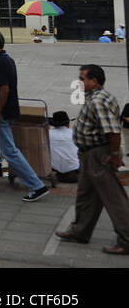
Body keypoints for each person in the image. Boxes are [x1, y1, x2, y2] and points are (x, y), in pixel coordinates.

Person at [56, 64, 129, 254]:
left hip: (99, 155)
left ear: (94, 81)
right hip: (90, 154)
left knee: (114, 199)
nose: (79, 82)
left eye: (82, 79)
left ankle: (127, 239)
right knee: (86, 195)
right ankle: (80, 231)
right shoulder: (99, 97)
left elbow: (113, 131)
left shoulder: (98, 101)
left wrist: (114, 155)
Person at [0, 31, 48, 202]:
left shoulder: (2, 62)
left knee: (9, 151)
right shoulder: (0, 61)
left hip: (2, 114)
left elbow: (4, 89)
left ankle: (37, 185)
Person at [48, 110, 80, 184]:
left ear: (54, 125)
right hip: (74, 176)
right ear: (68, 124)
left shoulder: (48, 134)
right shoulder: (75, 133)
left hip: (54, 174)